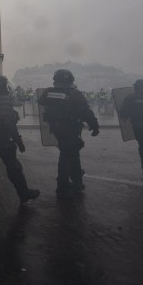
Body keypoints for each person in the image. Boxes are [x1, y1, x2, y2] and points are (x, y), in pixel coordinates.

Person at [0, 75, 40, 204]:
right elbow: (8, 121)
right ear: (1, 85)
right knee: (13, 166)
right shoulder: (3, 98)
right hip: (2, 138)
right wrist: (17, 140)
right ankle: (24, 193)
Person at [39, 69, 100, 200]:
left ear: (56, 80)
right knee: (67, 156)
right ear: (71, 80)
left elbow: (41, 101)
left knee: (72, 153)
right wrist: (94, 125)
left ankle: (77, 182)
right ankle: (63, 185)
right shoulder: (75, 93)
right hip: (71, 128)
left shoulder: (48, 92)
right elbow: (85, 111)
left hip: (55, 128)